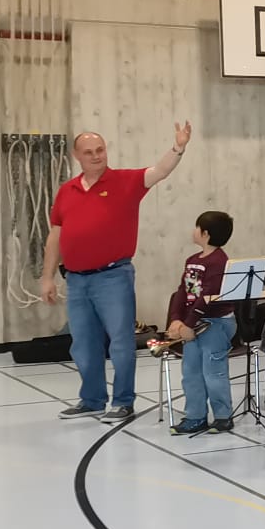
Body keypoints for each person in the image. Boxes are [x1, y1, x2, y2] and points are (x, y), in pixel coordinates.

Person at [43, 124, 192, 423]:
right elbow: (55, 235)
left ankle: (123, 401)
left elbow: (160, 171)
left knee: (121, 342)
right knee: (83, 344)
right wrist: (47, 276)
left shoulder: (125, 181)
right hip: (76, 279)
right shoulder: (67, 191)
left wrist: (178, 147)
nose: (96, 156)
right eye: (88, 152)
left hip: (113, 277)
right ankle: (92, 400)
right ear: (76, 155)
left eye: (100, 150)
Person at [163, 209, 236, 436]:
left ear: (205, 234)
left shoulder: (219, 261)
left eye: (197, 227)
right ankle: (195, 416)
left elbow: (208, 296)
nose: (193, 231)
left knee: (213, 373)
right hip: (193, 324)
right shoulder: (193, 261)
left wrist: (188, 324)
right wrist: (176, 319)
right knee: (191, 372)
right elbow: (183, 293)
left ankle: (223, 417)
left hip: (215, 323)